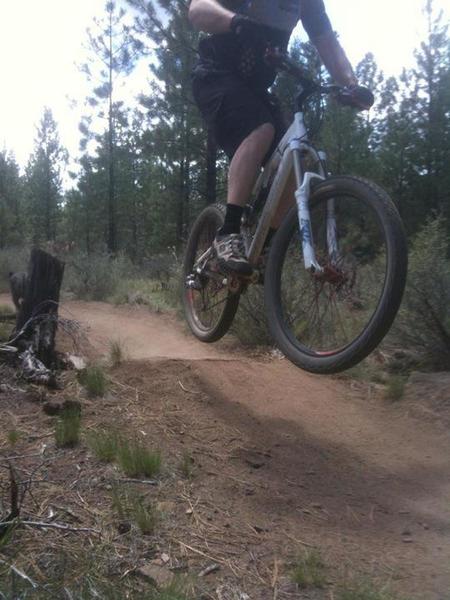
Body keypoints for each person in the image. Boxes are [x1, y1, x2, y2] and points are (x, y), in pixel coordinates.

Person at [189, 0, 372, 275]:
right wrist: (235, 21)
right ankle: (227, 232)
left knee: (293, 161)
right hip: (215, 75)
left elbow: (327, 43)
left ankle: (263, 250)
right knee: (261, 129)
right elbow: (197, 9)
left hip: (255, 89)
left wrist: (350, 85)